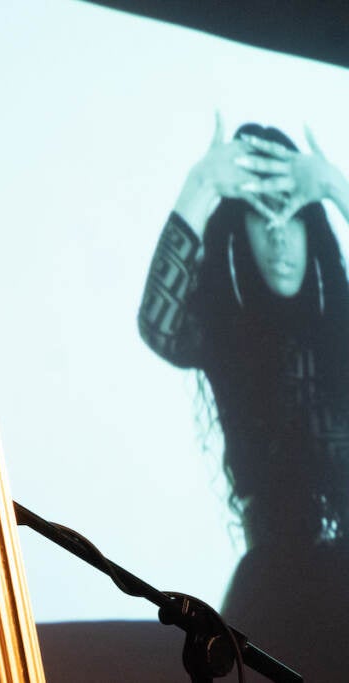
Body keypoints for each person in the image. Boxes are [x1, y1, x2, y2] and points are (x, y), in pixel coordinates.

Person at [137, 115, 348, 678]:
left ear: (315, 231)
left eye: (293, 214)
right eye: (260, 214)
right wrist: (201, 183)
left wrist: (334, 186)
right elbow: (158, 326)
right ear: (238, 234)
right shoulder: (224, 337)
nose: (279, 233)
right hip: (277, 594)